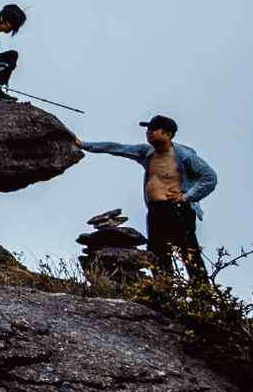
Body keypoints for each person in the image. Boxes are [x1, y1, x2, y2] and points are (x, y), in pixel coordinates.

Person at [76, 116, 216, 284]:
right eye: (147, 130)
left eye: (153, 129)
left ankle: (203, 299)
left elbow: (209, 177)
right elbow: (116, 148)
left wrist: (187, 197)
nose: (148, 133)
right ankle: (164, 293)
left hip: (178, 209)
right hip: (156, 211)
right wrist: (84, 145)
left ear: (167, 134)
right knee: (157, 253)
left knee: (189, 253)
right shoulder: (147, 152)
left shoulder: (184, 156)